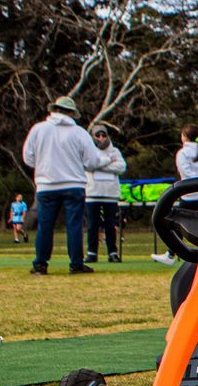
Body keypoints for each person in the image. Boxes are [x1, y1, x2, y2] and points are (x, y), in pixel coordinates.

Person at [21, 95, 113, 275]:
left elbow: (28, 158)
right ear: (71, 113)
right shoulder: (79, 133)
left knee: (45, 226)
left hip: (46, 184)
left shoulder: (39, 129)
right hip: (73, 184)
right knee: (74, 226)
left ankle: (40, 263)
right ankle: (76, 263)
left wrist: (43, 165)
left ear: (54, 109)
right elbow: (91, 161)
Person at [84, 124, 127, 263]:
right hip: (92, 193)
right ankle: (91, 252)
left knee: (110, 225)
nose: (101, 138)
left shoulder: (115, 151)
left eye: (103, 135)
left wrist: (99, 165)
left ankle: (112, 253)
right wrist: (108, 161)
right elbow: (88, 165)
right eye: (98, 135)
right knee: (92, 225)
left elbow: (121, 167)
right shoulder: (89, 151)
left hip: (110, 194)